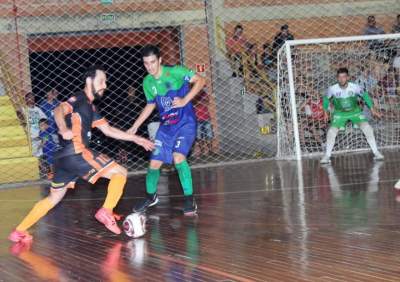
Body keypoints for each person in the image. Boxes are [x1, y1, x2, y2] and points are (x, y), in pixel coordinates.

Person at [8, 65, 154, 243]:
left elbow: (108, 130)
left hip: (62, 159)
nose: (105, 85)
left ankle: (19, 231)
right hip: (76, 152)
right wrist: (62, 128)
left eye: (106, 82)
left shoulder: (91, 109)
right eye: (102, 81)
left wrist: (137, 139)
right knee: (120, 173)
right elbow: (58, 110)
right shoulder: (79, 98)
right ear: (89, 81)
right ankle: (106, 211)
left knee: (54, 197)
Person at [128, 45, 205, 215]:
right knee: (154, 163)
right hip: (167, 126)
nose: (150, 67)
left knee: (178, 158)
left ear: (160, 60)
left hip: (185, 123)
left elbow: (201, 80)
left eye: (153, 62)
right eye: (146, 63)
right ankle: (150, 197)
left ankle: (189, 198)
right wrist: (135, 126)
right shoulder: (147, 81)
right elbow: (150, 104)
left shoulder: (176, 71)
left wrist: (185, 99)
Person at [320, 67, 384, 164]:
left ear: (348, 77)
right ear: (337, 78)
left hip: (355, 112)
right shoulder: (332, 89)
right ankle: (327, 156)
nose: (342, 79)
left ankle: (376, 152)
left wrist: (373, 110)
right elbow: (326, 99)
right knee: (331, 132)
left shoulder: (355, 87)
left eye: (344, 77)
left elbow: (365, 96)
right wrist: (325, 112)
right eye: (340, 77)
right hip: (339, 113)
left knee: (367, 128)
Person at [24, 92, 47, 158]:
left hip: (39, 137)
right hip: (30, 137)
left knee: (40, 156)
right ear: (26, 99)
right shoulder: (24, 109)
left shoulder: (38, 109)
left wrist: (43, 132)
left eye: (33, 97)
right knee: (33, 156)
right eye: (30, 97)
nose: (32, 98)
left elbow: (44, 120)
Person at [193, 89, 214, 157]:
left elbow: (207, 101)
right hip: (196, 119)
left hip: (206, 118)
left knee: (209, 135)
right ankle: (202, 152)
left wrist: (197, 102)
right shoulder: (191, 93)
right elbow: (192, 103)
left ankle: (210, 151)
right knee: (199, 137)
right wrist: (199, 102)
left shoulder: (203, 92)